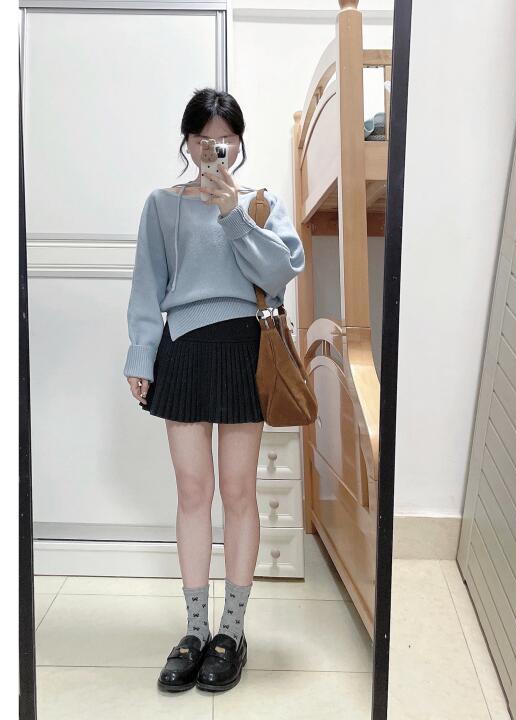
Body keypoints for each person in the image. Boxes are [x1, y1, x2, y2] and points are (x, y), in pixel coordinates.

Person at [122, 88, 305, 693]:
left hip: (244, 350)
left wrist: (232, 213)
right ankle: (196, 629)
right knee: (193, 491)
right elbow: (148, 285)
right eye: (205, 141)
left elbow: (279, 274)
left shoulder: (261, 203)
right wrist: (140, 355)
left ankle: (232, 630)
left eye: (225, 141)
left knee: (240, 491)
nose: (215, 151)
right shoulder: (162, 204)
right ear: (189, 142)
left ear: (239, 143)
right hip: (183, 350)